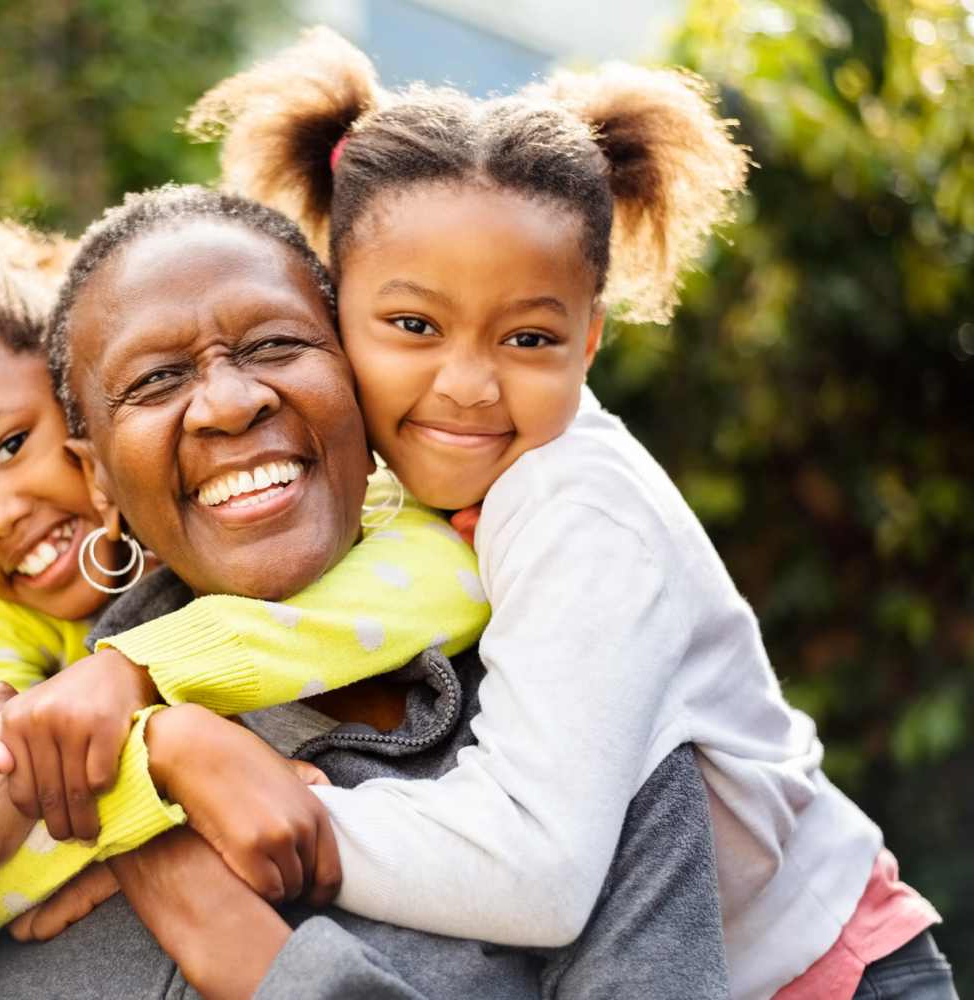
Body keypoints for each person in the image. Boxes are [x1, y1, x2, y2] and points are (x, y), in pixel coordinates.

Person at [170, 27, 957, 1000]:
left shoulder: (577, 506)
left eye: (528, 337)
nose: (466, 385)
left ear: (590, 340)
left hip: (830, 977)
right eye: (413, 326)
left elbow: (539, 871)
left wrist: (296, 815)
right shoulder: (390, 488)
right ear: (333, 308)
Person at [0, 185, 730, 1000]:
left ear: (360, 382)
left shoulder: (579, 732)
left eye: (278, 344)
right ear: (97, 477)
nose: (227, 402)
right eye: (157, 379)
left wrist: (254, 959)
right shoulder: (42, 757)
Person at [0, 213, 489, 942]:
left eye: (13, 444)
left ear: (86, 410)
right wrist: (161, 777)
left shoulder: (314, 489)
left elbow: (451, 575)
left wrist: (144, 674)